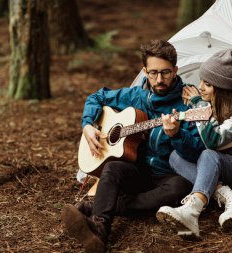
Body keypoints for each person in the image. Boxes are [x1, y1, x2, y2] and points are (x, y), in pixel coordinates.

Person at [61, 40, 206, 253]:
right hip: (138, 171)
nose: (159, 79)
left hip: (167, 175)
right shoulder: (135, 96)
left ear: (175, 71)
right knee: (112, 168)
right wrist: (88, 125)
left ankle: (94, 207)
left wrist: (177, 135)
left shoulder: (187, 103)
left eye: (165, 73)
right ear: (145, 71)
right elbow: (97, 97)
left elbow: (197, 152)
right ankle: (100, 229)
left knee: (180, 188)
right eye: (153, 73)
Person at [156, 49, 232, 238]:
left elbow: (213, 142)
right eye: (201, 81)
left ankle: (191, 211)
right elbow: (200, 144)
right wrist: (176, 133)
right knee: (176, 155)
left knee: (209, 155)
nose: (200, 87)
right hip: (218, 170)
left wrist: (199, 105)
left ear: (221, 87)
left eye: (207, 84)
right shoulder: (211, 103)